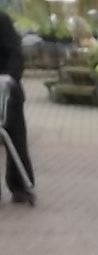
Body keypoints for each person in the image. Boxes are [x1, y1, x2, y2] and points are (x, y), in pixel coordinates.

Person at [0, 5, 32, 206]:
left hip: (5, 90)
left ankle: (19, 185)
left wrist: (9, 78)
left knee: (14, 135)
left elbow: (15, 53)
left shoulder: (1, 21)